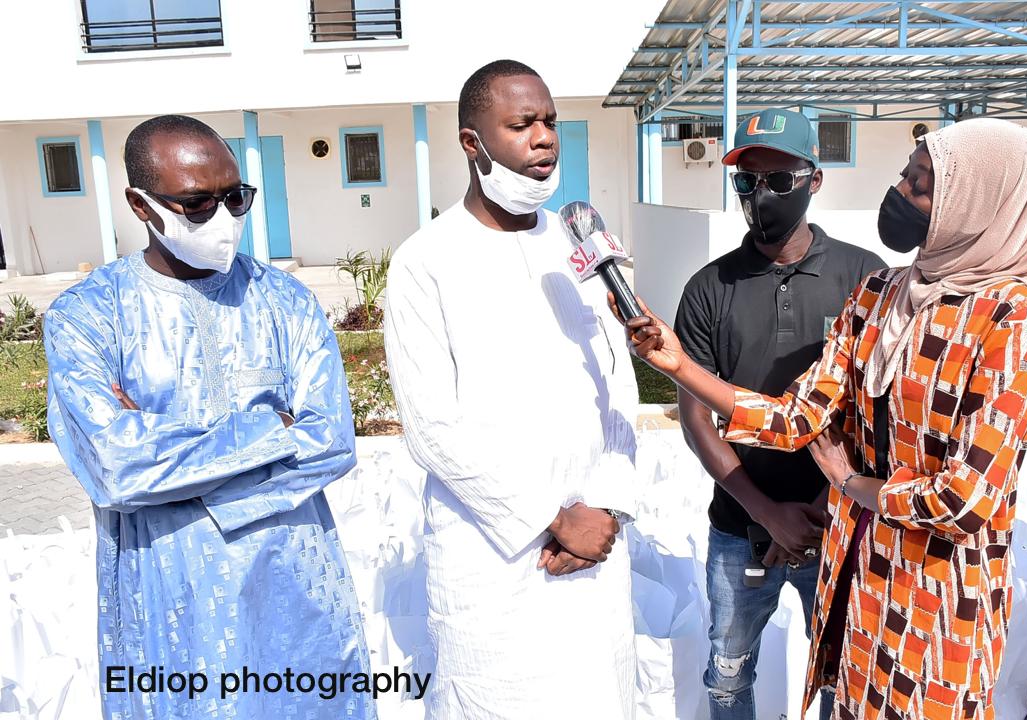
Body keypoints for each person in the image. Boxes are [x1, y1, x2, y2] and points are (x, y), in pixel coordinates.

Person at [617, 118, 1027, 719]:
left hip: (940, 591)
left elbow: (968, 499)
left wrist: (850, 486)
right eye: (904, 174)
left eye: (921, 182)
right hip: (858, 569)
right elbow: (797, 416)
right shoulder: (881, 293)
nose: (901, 191)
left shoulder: (1012, 323)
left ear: (978, 202)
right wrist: (679, 366)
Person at [44, 115, 376, 719]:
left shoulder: (286, 300)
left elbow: (330, 440)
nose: (223, 219)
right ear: (141, 206)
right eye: (197, 204)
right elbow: (115, 465)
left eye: (236, 197)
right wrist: (271, 430)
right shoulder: (88, 316)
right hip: (170, 591)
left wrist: (163, 453)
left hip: (294, 580)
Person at [384, 59, 638, 719]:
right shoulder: (425, 260)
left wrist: (605, 508)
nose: (544, 137)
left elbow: (619, 388)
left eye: (550, 121)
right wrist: (552, 519)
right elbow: (431, 426)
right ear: (473, 143)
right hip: (495, 556)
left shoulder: (582, 247)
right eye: (522, 124)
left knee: (602, 698)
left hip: (595, 547)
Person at [674, 108, 884, 719]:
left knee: (841, 681)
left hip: (839, 526)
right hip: (739, 529)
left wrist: (819, 511)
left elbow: (878, 414)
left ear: (813, 180)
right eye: (747, 181)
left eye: (777, 180)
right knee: (728, 679)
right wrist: (766, 514)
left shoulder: (864, 276)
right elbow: (695, 419)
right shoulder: (708, 288)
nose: (760, 195)